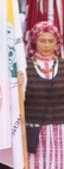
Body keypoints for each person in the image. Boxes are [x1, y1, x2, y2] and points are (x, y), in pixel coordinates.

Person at [24, 21, 64, 167]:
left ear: (57, 42)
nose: (47, 45)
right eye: (42, 40)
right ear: (35, 41)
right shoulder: (24, 66)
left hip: (61, 131)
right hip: (35, 132)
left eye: (51, 41)